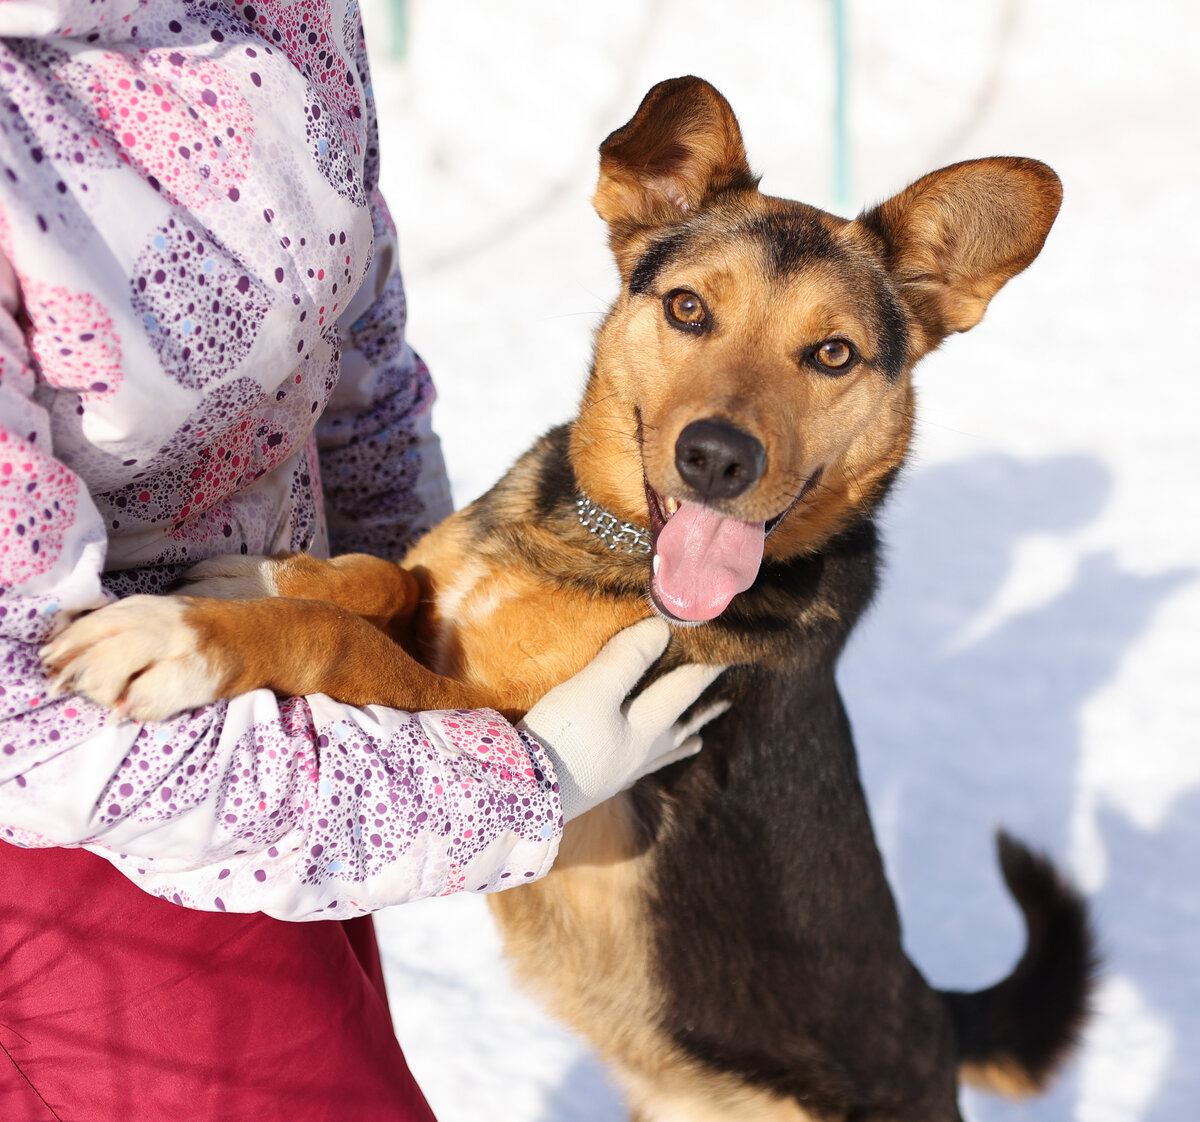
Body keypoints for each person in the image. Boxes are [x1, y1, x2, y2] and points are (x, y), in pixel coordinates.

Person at [0, 4, 723, 1118]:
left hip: (294, 737)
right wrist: (501, 792)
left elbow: (356, 364)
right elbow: (24, 720)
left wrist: (405, 634)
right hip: (75, 810)